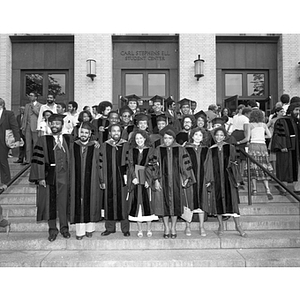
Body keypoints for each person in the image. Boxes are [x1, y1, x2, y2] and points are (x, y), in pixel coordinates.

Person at [145, 129, 195, 239]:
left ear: (173, 139)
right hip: (162, 181)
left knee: (175, 206)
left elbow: (186, 164)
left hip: (176, 181)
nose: (167, 140)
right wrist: (156, 180)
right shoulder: (158, 149)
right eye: (166, 138)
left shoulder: (180, 149)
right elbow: (152, 165)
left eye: (170, 138)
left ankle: (173, 227)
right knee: (164, 206)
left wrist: (186, 177)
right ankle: (166, 227)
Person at [29, 114, 71, 242]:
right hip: (49, 175)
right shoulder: (43, 140)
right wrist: (40, 176)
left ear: (62, 125)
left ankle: (65, 228)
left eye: (57, 123)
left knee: (64, 203)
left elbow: (84, 144)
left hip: (65, 176)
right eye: (52, 123)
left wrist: (95, 143)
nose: (54, 126)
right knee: (50, 204)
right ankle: (52, 230)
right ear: (48, 125)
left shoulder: (69, 139)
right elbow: (37, 159)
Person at [204, 127, 247, 237]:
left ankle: (238, 226)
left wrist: (236, 179)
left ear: (225, 136)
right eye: (217, 135)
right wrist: (208, 180)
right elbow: (208, 166)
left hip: (228, 179)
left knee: (233, 203)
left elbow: (234, 163)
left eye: (221, 135)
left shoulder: (230, 147)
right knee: (218, 203)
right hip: (216, 179)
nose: (218, 137)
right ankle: (221, 226)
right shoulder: (211, 149)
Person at [69, 122, 102, 240]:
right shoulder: (73, 146)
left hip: (92, 179)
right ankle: (80, 232)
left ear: (90, 134)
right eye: (82, 132)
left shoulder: (95, 146)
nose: (84, 134)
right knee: (78, 203)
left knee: (91, 202)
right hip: (76, 179)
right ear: (79, 133)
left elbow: (100, 164)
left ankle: (89, 229)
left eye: (86, 133)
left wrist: (101, 179)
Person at [99, 123, 130, 237]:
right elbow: (100, 164)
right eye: (114, 131)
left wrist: (128, 177)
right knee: (109, 202)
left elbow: (129, 162)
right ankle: (110, 228)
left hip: (122, 179)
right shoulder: (104, 145)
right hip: (108, 178)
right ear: (110, 133)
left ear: (121, 133)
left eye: (118, 131)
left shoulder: (126, 145)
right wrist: (102, 180)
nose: (116, 133)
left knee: (123, 203)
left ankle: (125, 229)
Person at [127, 130, 158, 238]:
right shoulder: (132, 151)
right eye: (137, 138)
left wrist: (148, 180)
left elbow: (152, 166)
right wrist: (134, 177)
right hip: (135, 182)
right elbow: (130, 165)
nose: (139, 140)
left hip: (146, 182)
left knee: (147, 204)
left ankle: (149, 229)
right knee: (137, 206)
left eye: (141, 138)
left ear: (145, 138)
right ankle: (139, 229)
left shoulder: (151, 150)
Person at [184, 127, 209, 237]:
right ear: (192, 136)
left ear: (203, 137)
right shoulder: (186, 148)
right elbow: (183, 164)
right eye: (196, 135)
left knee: (202, 202)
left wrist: (208, 179)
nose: (198, 137)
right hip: (190, 179)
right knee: (189, 202)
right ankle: (187, 226)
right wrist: (185, 177)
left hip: (202, 179)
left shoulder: (206, 149)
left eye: (200, 135)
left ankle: (201, 226)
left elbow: (209, 165)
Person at [243, 109, 273, 200]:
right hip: (263, 147)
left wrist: (238, 141)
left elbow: (247, 138)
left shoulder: (250, 125)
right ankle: (267, 189)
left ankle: (254, 189)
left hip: (253, 146)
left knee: (252, 167)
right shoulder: (263, 125)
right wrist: (262, 137)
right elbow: (270, 136)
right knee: (264, 167)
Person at [271, 102, 300, 195]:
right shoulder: (282, 121)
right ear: (291, 110)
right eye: (296, 110)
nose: (298, 112)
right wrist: (282, 146)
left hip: (296, 151)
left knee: (296, 168)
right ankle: (283, 188)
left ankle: (297, 188)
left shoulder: (296, 121)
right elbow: (278, 134)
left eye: (299, 110)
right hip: (286, 149)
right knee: (285, 168)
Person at [0, 98, 20, 189]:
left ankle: (6, 181)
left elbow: (14, 126)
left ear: (2, 105)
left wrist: (17, 139)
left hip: (3, 140)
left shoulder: (8, 114)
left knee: (2, 160)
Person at [21, 92, 42, 165]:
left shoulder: (40, 105)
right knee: (28, 143)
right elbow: (25, 116)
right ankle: (28, 160)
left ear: (36, 97)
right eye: (29, 95)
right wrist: (23, 126)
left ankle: (35, 159)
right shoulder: (27, 105)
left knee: (36, 143)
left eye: (32, 96)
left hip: (35, 127)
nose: (30, 97)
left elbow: (40, 115)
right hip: (28, 126)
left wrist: (34, 109)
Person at [267, 106, 285, 177]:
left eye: (283, 111)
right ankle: (274, 173)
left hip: (283, 139)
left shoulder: (285, 119)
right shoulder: (273, 120)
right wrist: (269, 134)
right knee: (273, 157)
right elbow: (265, 127)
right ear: (277, 112)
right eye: (281, 111)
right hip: (275, 138)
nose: (283, 113)